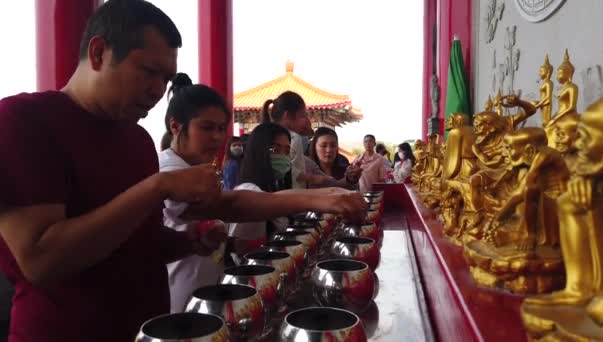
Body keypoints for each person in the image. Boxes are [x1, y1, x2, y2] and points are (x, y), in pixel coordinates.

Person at [0, 1, 227, 341]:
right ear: (98, 53)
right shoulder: (23, 120)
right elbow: (40, 260)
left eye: (165, 78)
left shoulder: (136, 139)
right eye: (149, 71)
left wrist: (187, 242)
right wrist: (158, 186)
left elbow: (135, 243)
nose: (158, 90)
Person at [159, 75, 368, 312]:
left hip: (207, 291)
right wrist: (321, 200)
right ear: (175, 126)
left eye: (221, 128)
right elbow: (233, 205)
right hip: (180, 298)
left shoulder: (197, 170)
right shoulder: (169, 170)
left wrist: (332, 192)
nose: (217, 137)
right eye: (207, 127)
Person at [228, 123, 365, 248]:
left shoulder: (273, 186)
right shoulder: (249, 190)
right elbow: (242, 254)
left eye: (287, 151)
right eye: (275, 150)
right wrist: (329, 197)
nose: (282, 157)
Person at [262, 91, 328, 189]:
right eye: (303, 116)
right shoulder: (293, 137)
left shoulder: (265, 135)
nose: (306, 120)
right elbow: (288, 168)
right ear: (287, 116)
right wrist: (311, 178)